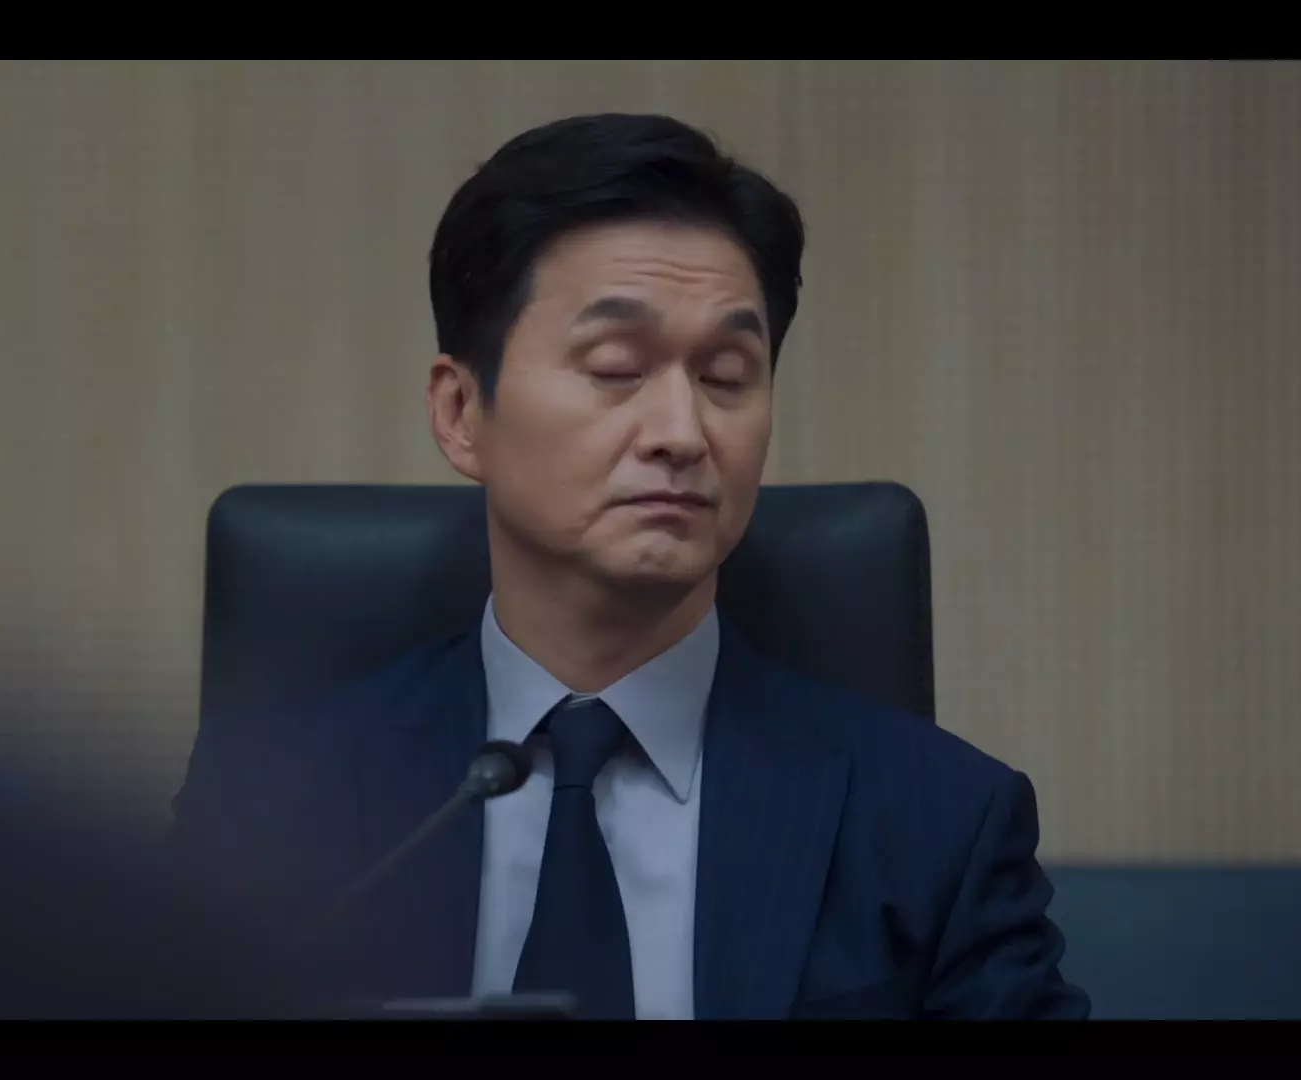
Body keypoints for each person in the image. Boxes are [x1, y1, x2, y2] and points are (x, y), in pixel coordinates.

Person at [171, 113, 1090, 1020]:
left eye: (726, 376)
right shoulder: (268, 804)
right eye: (615, 367)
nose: (682, 434)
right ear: (461, 413)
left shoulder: (940, 823)